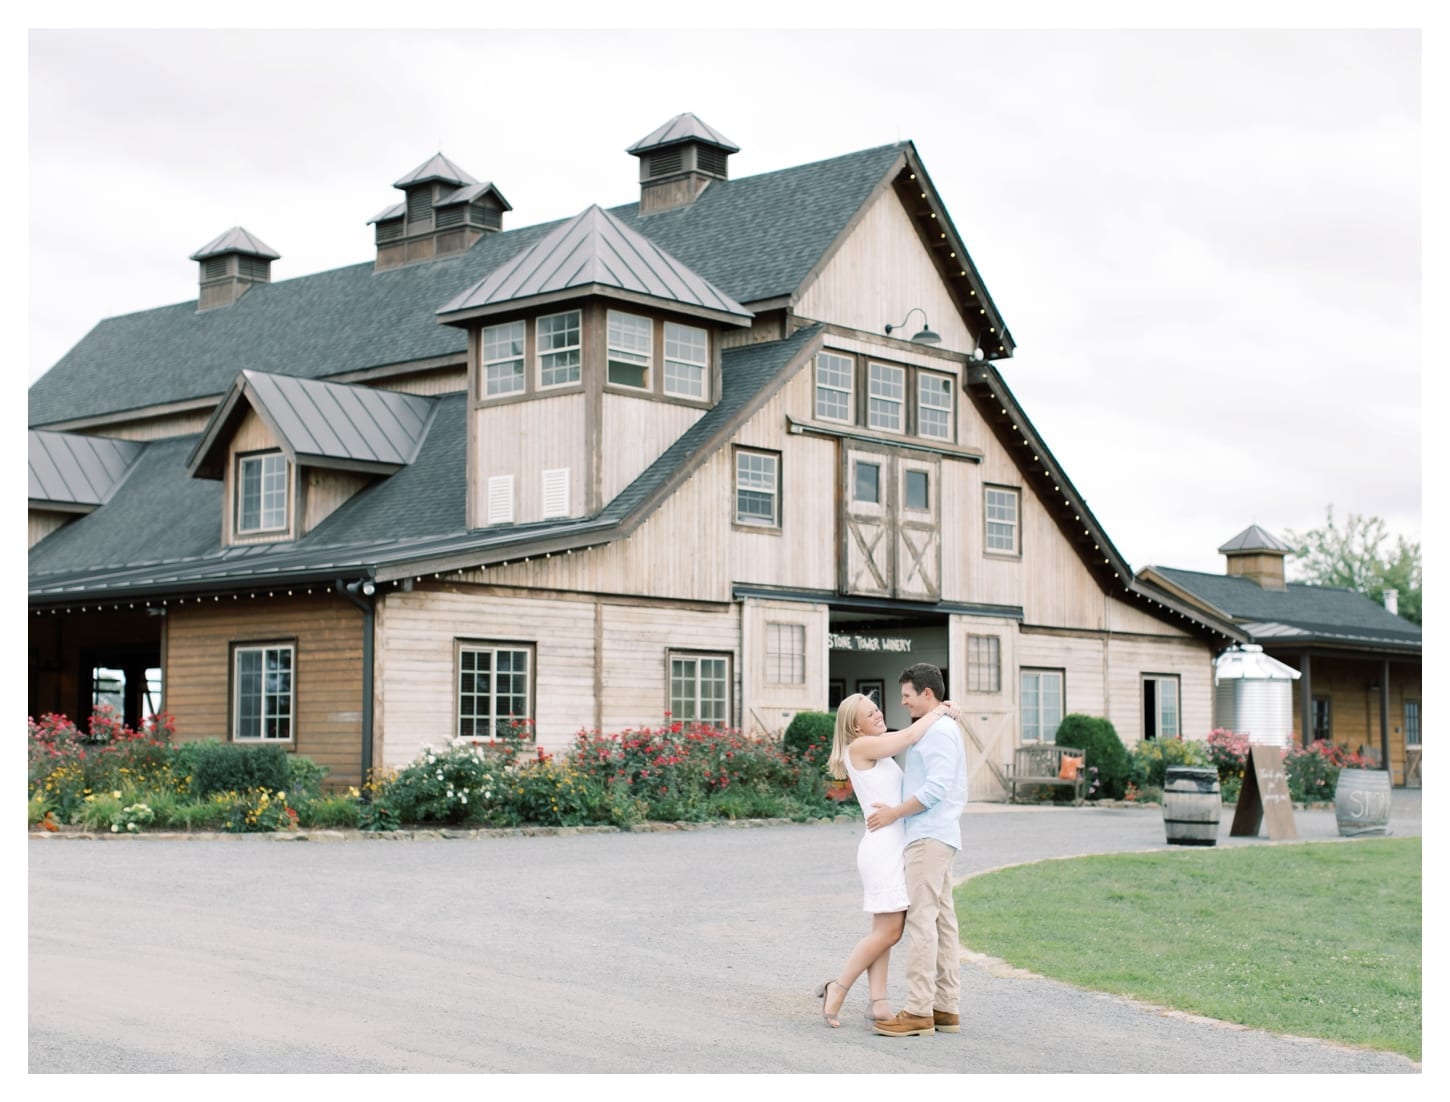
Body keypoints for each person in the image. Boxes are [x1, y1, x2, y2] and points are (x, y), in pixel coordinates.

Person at [815, 691, 958, 1028]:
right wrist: (940, 710)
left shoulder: (872, 747)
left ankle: (879, 1002)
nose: (879, 715)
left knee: (885, 931)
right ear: (855, 725)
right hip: (883, 848)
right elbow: (909, 736)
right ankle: (838, 986)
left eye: (878, 708)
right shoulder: (860, 747)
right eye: (871, 713)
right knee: (889, 932)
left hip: (891, 844)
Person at [865, 662, 968, 1037]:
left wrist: (895, 813)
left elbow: (936, 789)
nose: (903, 702)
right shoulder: (940, 726)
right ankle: (945, 1007)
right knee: (942, 921)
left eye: (907, 696)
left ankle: (919, 1010)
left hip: (928, 836)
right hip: (939, 834)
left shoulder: (938, 732)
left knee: (923, 923)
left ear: (927, 694)